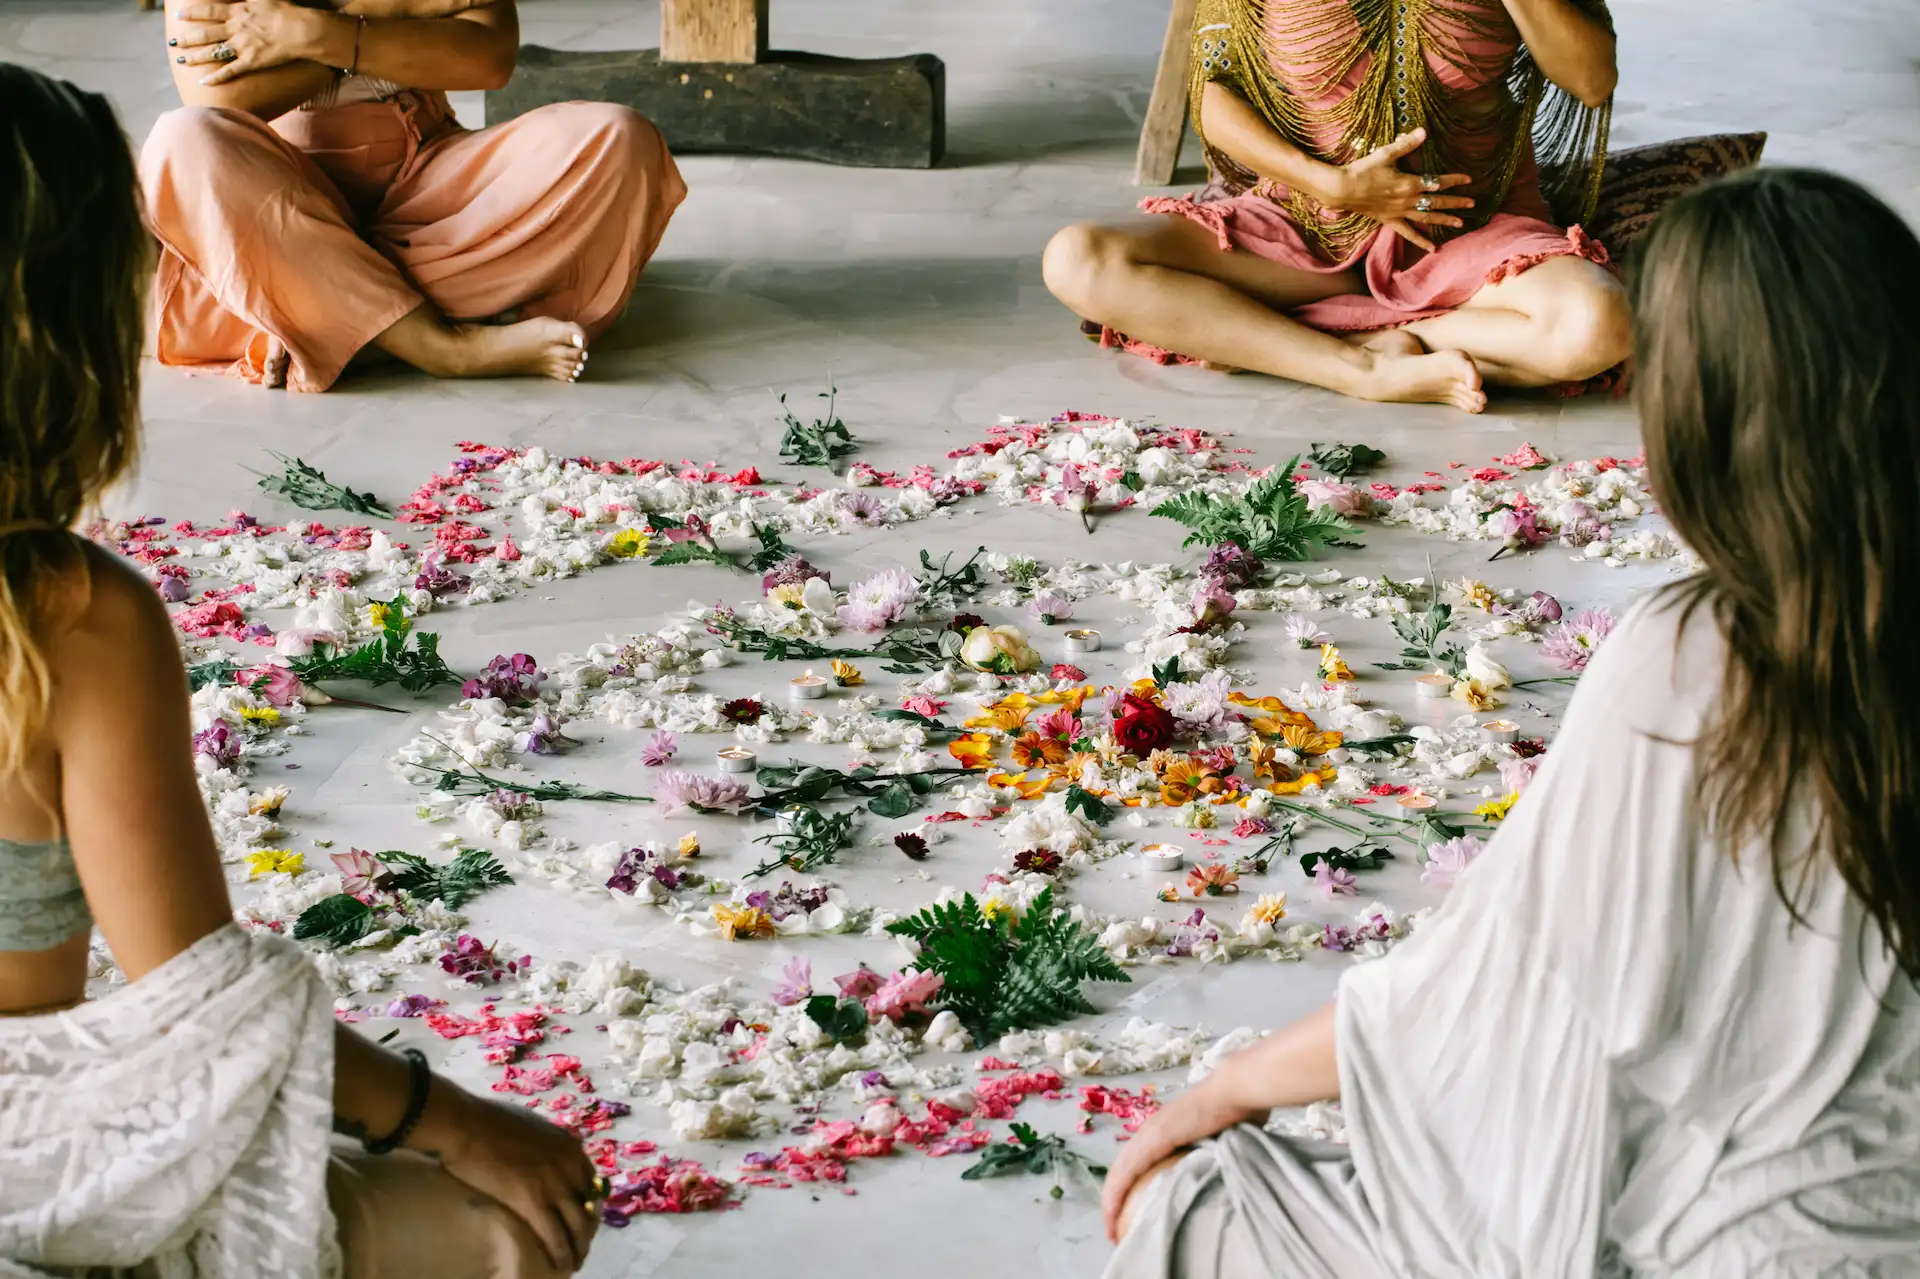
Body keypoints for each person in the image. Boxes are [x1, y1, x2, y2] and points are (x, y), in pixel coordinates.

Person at [1100, 166, 1920, 1276]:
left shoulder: (1695, 654)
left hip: (1753, 1240)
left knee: (1195, 1210)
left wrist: (1218, 1092)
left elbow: (1502, 983)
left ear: (1704, 417)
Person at [0, 64, 602, 1278]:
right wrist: (459, 1121)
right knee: (509, 1230)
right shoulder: (64, 616)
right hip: (21, 1166)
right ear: (70, 334)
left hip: (406, 186)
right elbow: (203, 996)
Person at [1043, 0, 1632, 412]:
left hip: (1468, 228)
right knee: (1079, 259)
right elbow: (1214, 95)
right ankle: (1363, 369)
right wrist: (1330, 186)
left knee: (1598, 326)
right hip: (1301, 223)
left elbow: (1591, 78)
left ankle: (1318, 337)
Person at [144, 0, 686, 392]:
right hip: (278, 206)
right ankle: (445, 347)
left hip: (432, 176)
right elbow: (219, 94)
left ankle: (331, 315)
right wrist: (394, 19)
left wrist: (313, 30)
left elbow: (489, 56)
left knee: (618, 139)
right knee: (187, 138)